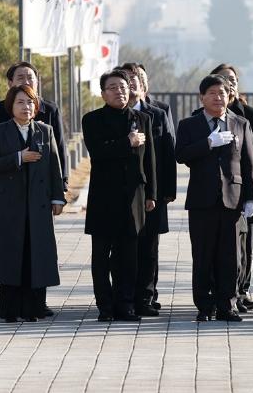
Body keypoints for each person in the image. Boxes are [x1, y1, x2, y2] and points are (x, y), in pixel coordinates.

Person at [175, 74, 253, 322]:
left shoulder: (240, 123)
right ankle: (204, 305)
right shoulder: (189, 125)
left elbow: (249, 162)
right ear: (202, 97)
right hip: (202, 200)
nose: (218, 97)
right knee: (203, 255)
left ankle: (227, 305)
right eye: (212, 93)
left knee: (231, 257)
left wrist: (252, 198)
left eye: (222, 93)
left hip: (233, 199)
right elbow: (181, 155)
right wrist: (207, 143)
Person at [0, 84, 65, 322]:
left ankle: (34, 308)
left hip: (38, 204)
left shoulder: (44, 130)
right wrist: (19, 157)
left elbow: (54, 166)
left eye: (30, 102)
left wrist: (58, 197)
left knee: (36, 254)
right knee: (10, 255)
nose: (26, 107)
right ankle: (9, 309)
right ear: (11, 105)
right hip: (9, 204)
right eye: (21, 102)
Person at [81, 69, 157, 322]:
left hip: (134, 196)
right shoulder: (92, 120)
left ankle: (126, 305)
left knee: (129, 256)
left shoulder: (141, 118)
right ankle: (105, 306)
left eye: (123, 87)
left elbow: (150, 160)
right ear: (103, 93)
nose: (119, 91)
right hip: (103, 197)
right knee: (101, 257)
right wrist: (127, 142)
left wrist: (151, 193)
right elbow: (99, 151)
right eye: (112, 87)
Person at [211, 63, 253, 312]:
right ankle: (221, 291)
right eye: (225, 79)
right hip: (220, 191)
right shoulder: (205, 114)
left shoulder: (250, 113)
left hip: (247, 189)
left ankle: (242, 289)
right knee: (222, 246)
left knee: (246, 243)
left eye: (234, 80)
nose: (231, 84)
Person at [119, 63, 177, 317]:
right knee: (126, 247)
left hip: (153, 191)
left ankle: (146, 296)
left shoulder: (158, 113)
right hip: (124, 193)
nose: (132, 84)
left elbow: (168, 151)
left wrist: (167, 190)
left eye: (137, 79)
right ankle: (125, 296)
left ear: (145, 85)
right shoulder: (117, 115)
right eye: (127, 79)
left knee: (149, 247)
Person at [0, 61, 69, 191]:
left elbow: (59, 149)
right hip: (9, 182)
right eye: (20, 78)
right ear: (10, 83)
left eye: (30, 78)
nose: (26, 82)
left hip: (41, 182)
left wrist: (62, 183)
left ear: (37, 82)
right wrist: (19, 157)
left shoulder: (50, 110)